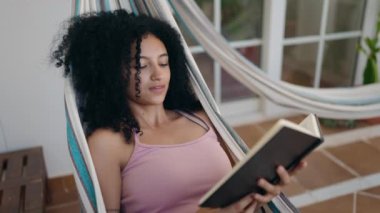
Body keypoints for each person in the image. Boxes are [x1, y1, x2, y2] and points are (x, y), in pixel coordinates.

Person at [52, 10, 306, 213]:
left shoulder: (202, 118)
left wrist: (266, 188)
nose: (158, 74)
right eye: (141, 65)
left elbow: (241, 186)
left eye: (164, 62)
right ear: (111, 73)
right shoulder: (109, 143)